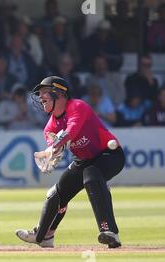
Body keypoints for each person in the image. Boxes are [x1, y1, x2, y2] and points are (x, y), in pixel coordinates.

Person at [16, 76, 125, 249]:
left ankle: (110, 232)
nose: (40, 97)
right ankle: (44, 235)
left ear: (59, 94)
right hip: (83, 160)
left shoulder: (77, 106)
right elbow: (54, 144)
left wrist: (54, 146)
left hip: (110, 154)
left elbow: (71, 131)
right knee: (56, 193)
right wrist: (52, 154)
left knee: (91, 174)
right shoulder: (49, 127)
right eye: (40, 93)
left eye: (45, 92)